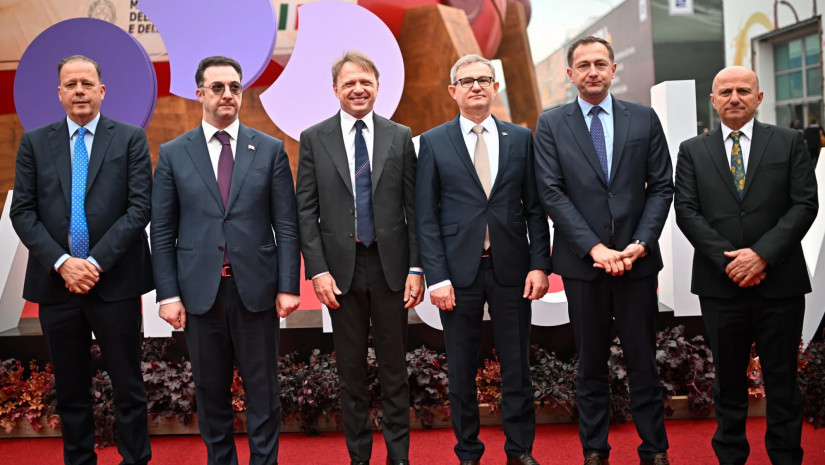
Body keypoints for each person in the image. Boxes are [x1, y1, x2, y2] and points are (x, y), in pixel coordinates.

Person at [151, 55, 300, 465]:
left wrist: (289, 285)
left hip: (257, 292)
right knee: (210, 392)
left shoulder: (269, 149)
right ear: (200, 93)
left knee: (263, 392)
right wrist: (168, 295)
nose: (227, 94)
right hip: (201, 295)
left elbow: (287, 225)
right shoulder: (174, 154)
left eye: (235, 87)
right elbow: (162, 231)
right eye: (217, 87)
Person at [533, 36, 673, 465]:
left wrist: (640, 244)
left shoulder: (643, 119)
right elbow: (551, 192)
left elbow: (661, 186)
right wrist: (594, 248)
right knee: (590, 364)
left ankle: (655, 450)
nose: (592, 71)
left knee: (643, 362)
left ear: (614, 69)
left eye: (600, 63)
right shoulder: (551, 124)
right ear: (570, 74)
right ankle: (594, 451)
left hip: (636, 263)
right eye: (583, 65)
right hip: (583, 265)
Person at [10, 54, 153, 465]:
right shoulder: (35, 143)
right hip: (57, 286)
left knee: (128, 386)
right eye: (70, 84)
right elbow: (23, 212)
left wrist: (93, 263)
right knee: (71, 390)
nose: (79, 91)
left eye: (87, 84)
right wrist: (63, 262)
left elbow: (139, 208)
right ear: (59, 93)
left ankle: (135, 460)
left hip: (115, 284)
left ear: (101, 91)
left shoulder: (129, 139)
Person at [675, 66, 817, 465]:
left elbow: (805, 204)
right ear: (713, 100)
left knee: (782, 381)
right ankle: (731, 457)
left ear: (759, 97)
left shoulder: (789, 142)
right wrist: (731, 264)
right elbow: (686, 211)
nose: (734, 97)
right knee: (729, 381)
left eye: (743, 90)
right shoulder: (692, 150)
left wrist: (761, 255)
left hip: (780, 282)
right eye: (725, 91)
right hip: (720, 286)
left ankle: (786, 457)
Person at [415, 54, 551, 465]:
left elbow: (535, 209)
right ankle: (469, 452)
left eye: (484, 79)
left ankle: (520, 450)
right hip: (458, 275)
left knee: (517, 366)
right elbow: (426, 216)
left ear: (495, 87)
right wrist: (437, 277)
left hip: (513, 270)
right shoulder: (433, 142)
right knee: (461, 369)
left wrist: (539, 264)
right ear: (453, 90)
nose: (476, 86)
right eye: (467, 81)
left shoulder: (520, 138)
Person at [295, 50, 422, 465]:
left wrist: (416, 267)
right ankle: (359, 458)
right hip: (339, 273)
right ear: (335, 89)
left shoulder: (400, 136)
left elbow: (414, 207)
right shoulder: (314, 138)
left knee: (394, 370)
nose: (358, 89)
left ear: (378, 87)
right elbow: (305, 211)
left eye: (365, 81)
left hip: (391, 269)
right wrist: (317, 270)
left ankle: (398, 457)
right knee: (350, 372)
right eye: (349, 82)